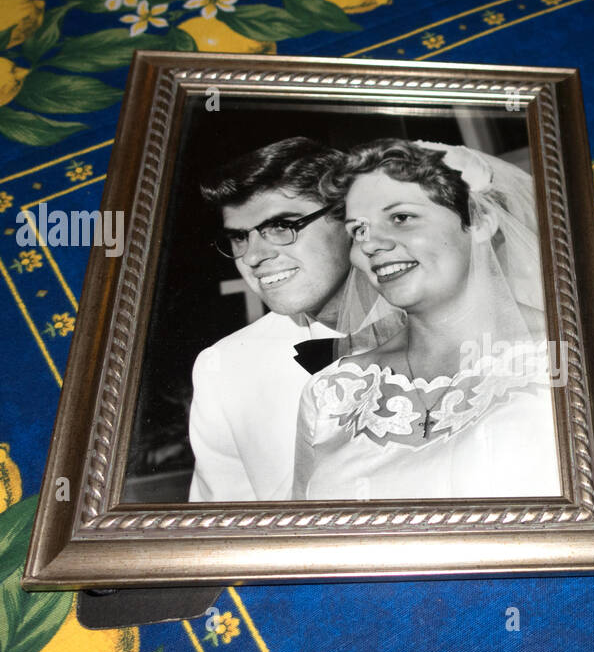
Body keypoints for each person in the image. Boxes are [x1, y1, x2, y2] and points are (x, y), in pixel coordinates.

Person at [292, 139, 560, 501]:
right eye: (358, 230)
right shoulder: (332, 393)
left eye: (401, 218)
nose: (370, 244)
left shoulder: (564, 360)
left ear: (479, 222)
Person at [188, 136, 376, 502]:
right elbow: (224, 528)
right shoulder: (223, 368)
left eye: (280, 226)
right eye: (240, 237)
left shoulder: (449, 328)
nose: (254, 256)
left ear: (350, 220)